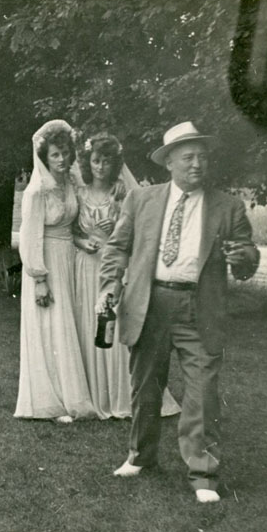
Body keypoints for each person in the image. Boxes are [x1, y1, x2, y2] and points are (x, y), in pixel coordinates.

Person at [98, 122, 259, 503]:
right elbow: (117, 247)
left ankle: (203, 475)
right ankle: (140, 456)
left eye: (203, 157)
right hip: (149, 303)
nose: (197, 164)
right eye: (188, 157)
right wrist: (109, 285)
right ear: (169, 162)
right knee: (146, 386)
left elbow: (248, 253)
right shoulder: (141, 200)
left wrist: (244, 258)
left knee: (202, 392)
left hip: (200, 307)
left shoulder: (227, 206)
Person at [73, 133, 181, 419]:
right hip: (86, 265)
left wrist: (115, 225)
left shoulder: (123, 192)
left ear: (115, 164)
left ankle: (122, 395)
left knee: (115, 324)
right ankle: (95, 394)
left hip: (113, 265)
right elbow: (73, 232)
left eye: (107, 161)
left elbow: (134, 230)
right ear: (88, 162)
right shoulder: (79, 192)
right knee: (89, 324)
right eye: (96, 160)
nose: (100, 167)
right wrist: (85, 242)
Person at [15, 120, 95, 423]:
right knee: (49, 327)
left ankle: (72, 393)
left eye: (65, 154)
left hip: (69, 259)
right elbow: (30, 236)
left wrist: (83, 241)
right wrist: (39, 279)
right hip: (45, 263)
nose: (61, 160)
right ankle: (50, 402)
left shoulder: (70, 185)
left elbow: (71, 226)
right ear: (44, 158)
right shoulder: (36, 192)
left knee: (67, 326)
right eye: (55, 156)